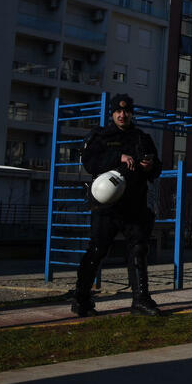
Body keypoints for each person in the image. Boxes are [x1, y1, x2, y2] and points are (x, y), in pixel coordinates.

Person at [72, 94, 163, 317]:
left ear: (131, 113)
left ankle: (141, 299)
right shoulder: (100, 136)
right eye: (118, 111)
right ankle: (81, 299)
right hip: (107, 206)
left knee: (138, 251)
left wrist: (149, 165)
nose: (122, 115)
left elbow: (157, 169)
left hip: (135, 204)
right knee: (97, 250)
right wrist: (117, 157)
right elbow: (90, 163)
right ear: (112, 113)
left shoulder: (142, 138)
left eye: (126, 111)